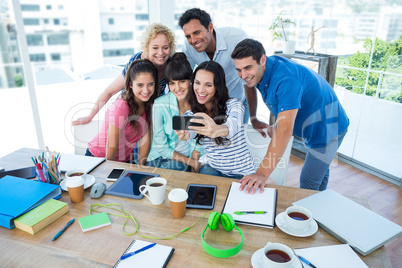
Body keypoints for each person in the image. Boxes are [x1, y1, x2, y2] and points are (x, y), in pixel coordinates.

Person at [231, 38, 349, 193]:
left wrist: (261, 174)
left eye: (247, 68)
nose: (243, 75)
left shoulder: (286, 79)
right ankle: (321, 202)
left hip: (328, 127)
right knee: (320, 170)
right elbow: (249, 85)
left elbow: (285, 131)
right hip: (314, 122)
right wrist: (253, 118)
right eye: (238, 70)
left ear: (263, 60)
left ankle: (312, 211)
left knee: (308, 181)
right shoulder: (259, 72)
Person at [72, 23, 175, 126]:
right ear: (147, 47)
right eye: (155, 48)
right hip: (128, 112)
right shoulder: (137, 62)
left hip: (150, 116)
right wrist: (90, 116)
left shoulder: (170, 65)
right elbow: (110, 91)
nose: (161, 53)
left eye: (165, 48)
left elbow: (177, 97)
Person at [176, 61, 255, 179]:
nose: (201, 90)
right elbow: (190, 131)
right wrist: (184, 134)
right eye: (197, 83)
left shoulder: (235, 105)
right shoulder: (193, 113)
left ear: (218, 87)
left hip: (242, 173)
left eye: (208, 85)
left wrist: (216, 130)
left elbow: (233, 126)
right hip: (213, 169)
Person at [178, 8, 249, 123]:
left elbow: (248, 80)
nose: (193, 40)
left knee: (234, 138)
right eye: (188, 36)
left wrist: (254, 117)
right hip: (207, 106)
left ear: (210, 28)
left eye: (197, 33)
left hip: (236, 101)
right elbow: (185, 79)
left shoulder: (237, 39)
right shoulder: (188, 46)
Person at [85, 59, 159, 163]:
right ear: (130, 84)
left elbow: (146, 139)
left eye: (150, 84)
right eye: (140, 85)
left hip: (125, 160)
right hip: (99, 159)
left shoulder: (149, 103)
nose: (146, 90)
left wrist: (141, 169)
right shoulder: (121, 107)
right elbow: (110, 156)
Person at [146, 53, 203, 172]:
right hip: (161, 159)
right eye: (172, 83)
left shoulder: (199, 103)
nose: (177, 88)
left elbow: (200, 139)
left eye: (182, 81)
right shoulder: (160, 105)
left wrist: (195, 162)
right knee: (178, 168)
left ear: (191, 80)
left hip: (189, 158)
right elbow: (162, 147)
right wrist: (191, 162)